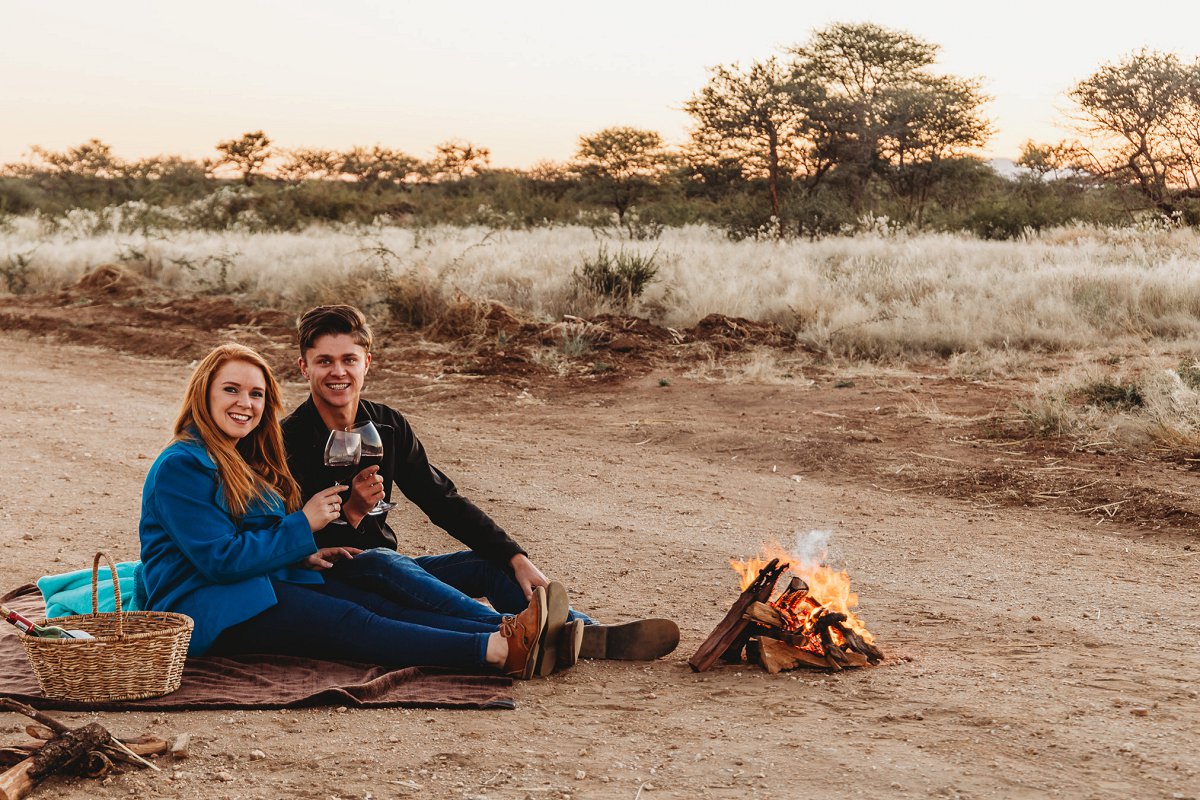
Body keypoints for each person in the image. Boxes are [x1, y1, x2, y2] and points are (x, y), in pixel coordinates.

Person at [281, 305, 679, 673]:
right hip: (335, 578)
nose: (338, 372)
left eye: (349, 359)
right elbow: (278, 530)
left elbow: (442, 499)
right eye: (325, 362)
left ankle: (588, 632)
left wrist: (515, 556)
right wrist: (350, 512)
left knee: (485, 564)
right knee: (383, 560)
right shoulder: (287, 440)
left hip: (391, 568)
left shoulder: (387, 425)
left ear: (367, 363)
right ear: (304, 367)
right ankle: (518, 631)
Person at [138, 342, 557, 679]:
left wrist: (302, 552)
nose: (245, 403)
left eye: (256, 393)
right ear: (204, 393)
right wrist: (304, 525)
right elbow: (219, 559)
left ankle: (512, 632)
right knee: (352, 620)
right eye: (231, 389)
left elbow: (248, 536)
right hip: (208, 609)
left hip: (258, 582)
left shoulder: (236, 455)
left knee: (380, 604)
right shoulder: (184, 464)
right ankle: (497, 652)